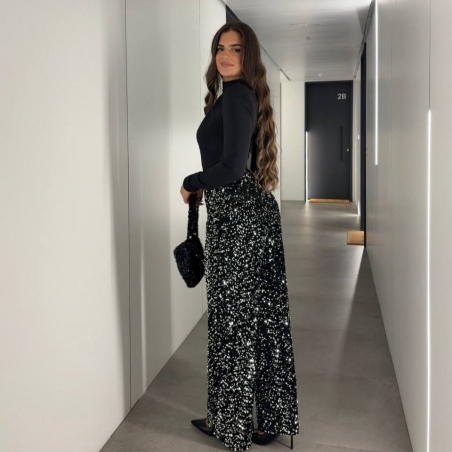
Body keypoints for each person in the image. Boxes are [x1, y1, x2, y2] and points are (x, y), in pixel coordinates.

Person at [180, 22, 299, 452]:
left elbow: (231, 169)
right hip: (248, 217)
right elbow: (236, 165)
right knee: (258, 321)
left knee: (232, 323)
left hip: (238, 223)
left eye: (235, 48)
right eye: (220, 47)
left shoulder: (235, 97)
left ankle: (229, 423)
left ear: (247, 56)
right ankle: (263, 419)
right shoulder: (237, 95)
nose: (225, 55)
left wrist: (191, 182)